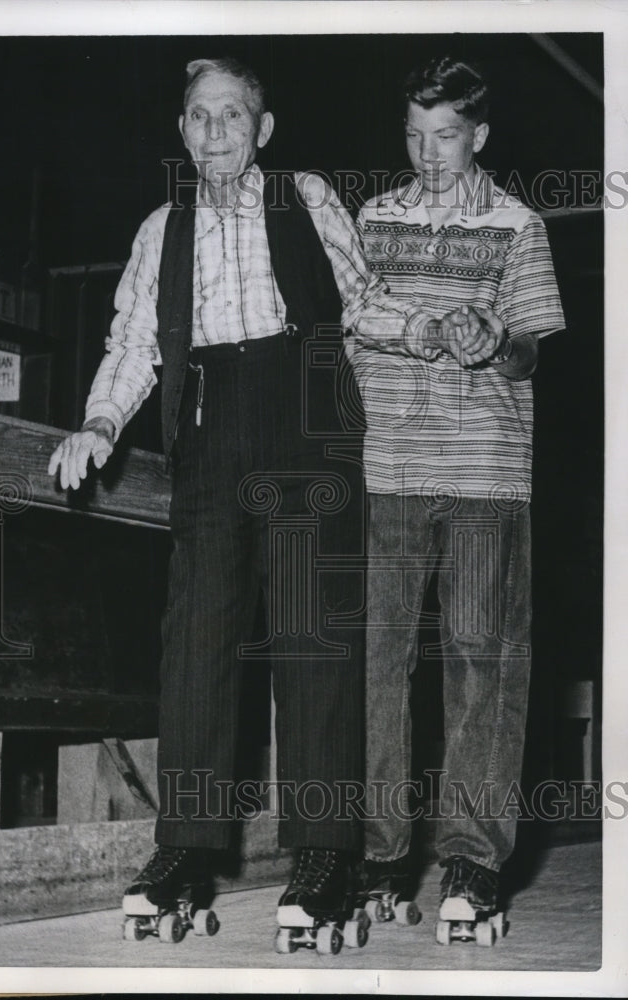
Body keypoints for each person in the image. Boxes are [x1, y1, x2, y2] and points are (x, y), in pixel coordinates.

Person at [49, 56, 457, 948]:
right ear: (183, 131)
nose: (218, 131)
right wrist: (98, 423)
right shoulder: (163, 227)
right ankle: (186, 851)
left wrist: (427, 329)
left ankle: (324, 856)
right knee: (194, 642)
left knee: (314, 640)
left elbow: (361, 300)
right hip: (208, 428)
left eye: (234, 115)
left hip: (305, 419)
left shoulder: (306, 196)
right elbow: (132, 342)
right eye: (201, 116)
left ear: (262, 130)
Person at [351, 55, 565, 940]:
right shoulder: (373, 218)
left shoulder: (518, 224)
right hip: (393, 467)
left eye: (445, 136)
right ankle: (380, 858)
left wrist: (494, 343)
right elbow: (353, 318)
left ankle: (474, 865)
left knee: (484, 661)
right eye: (413, 133)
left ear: (477, 135)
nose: (427, 153)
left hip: (485, 472)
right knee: (379, 663)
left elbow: (532, 352)